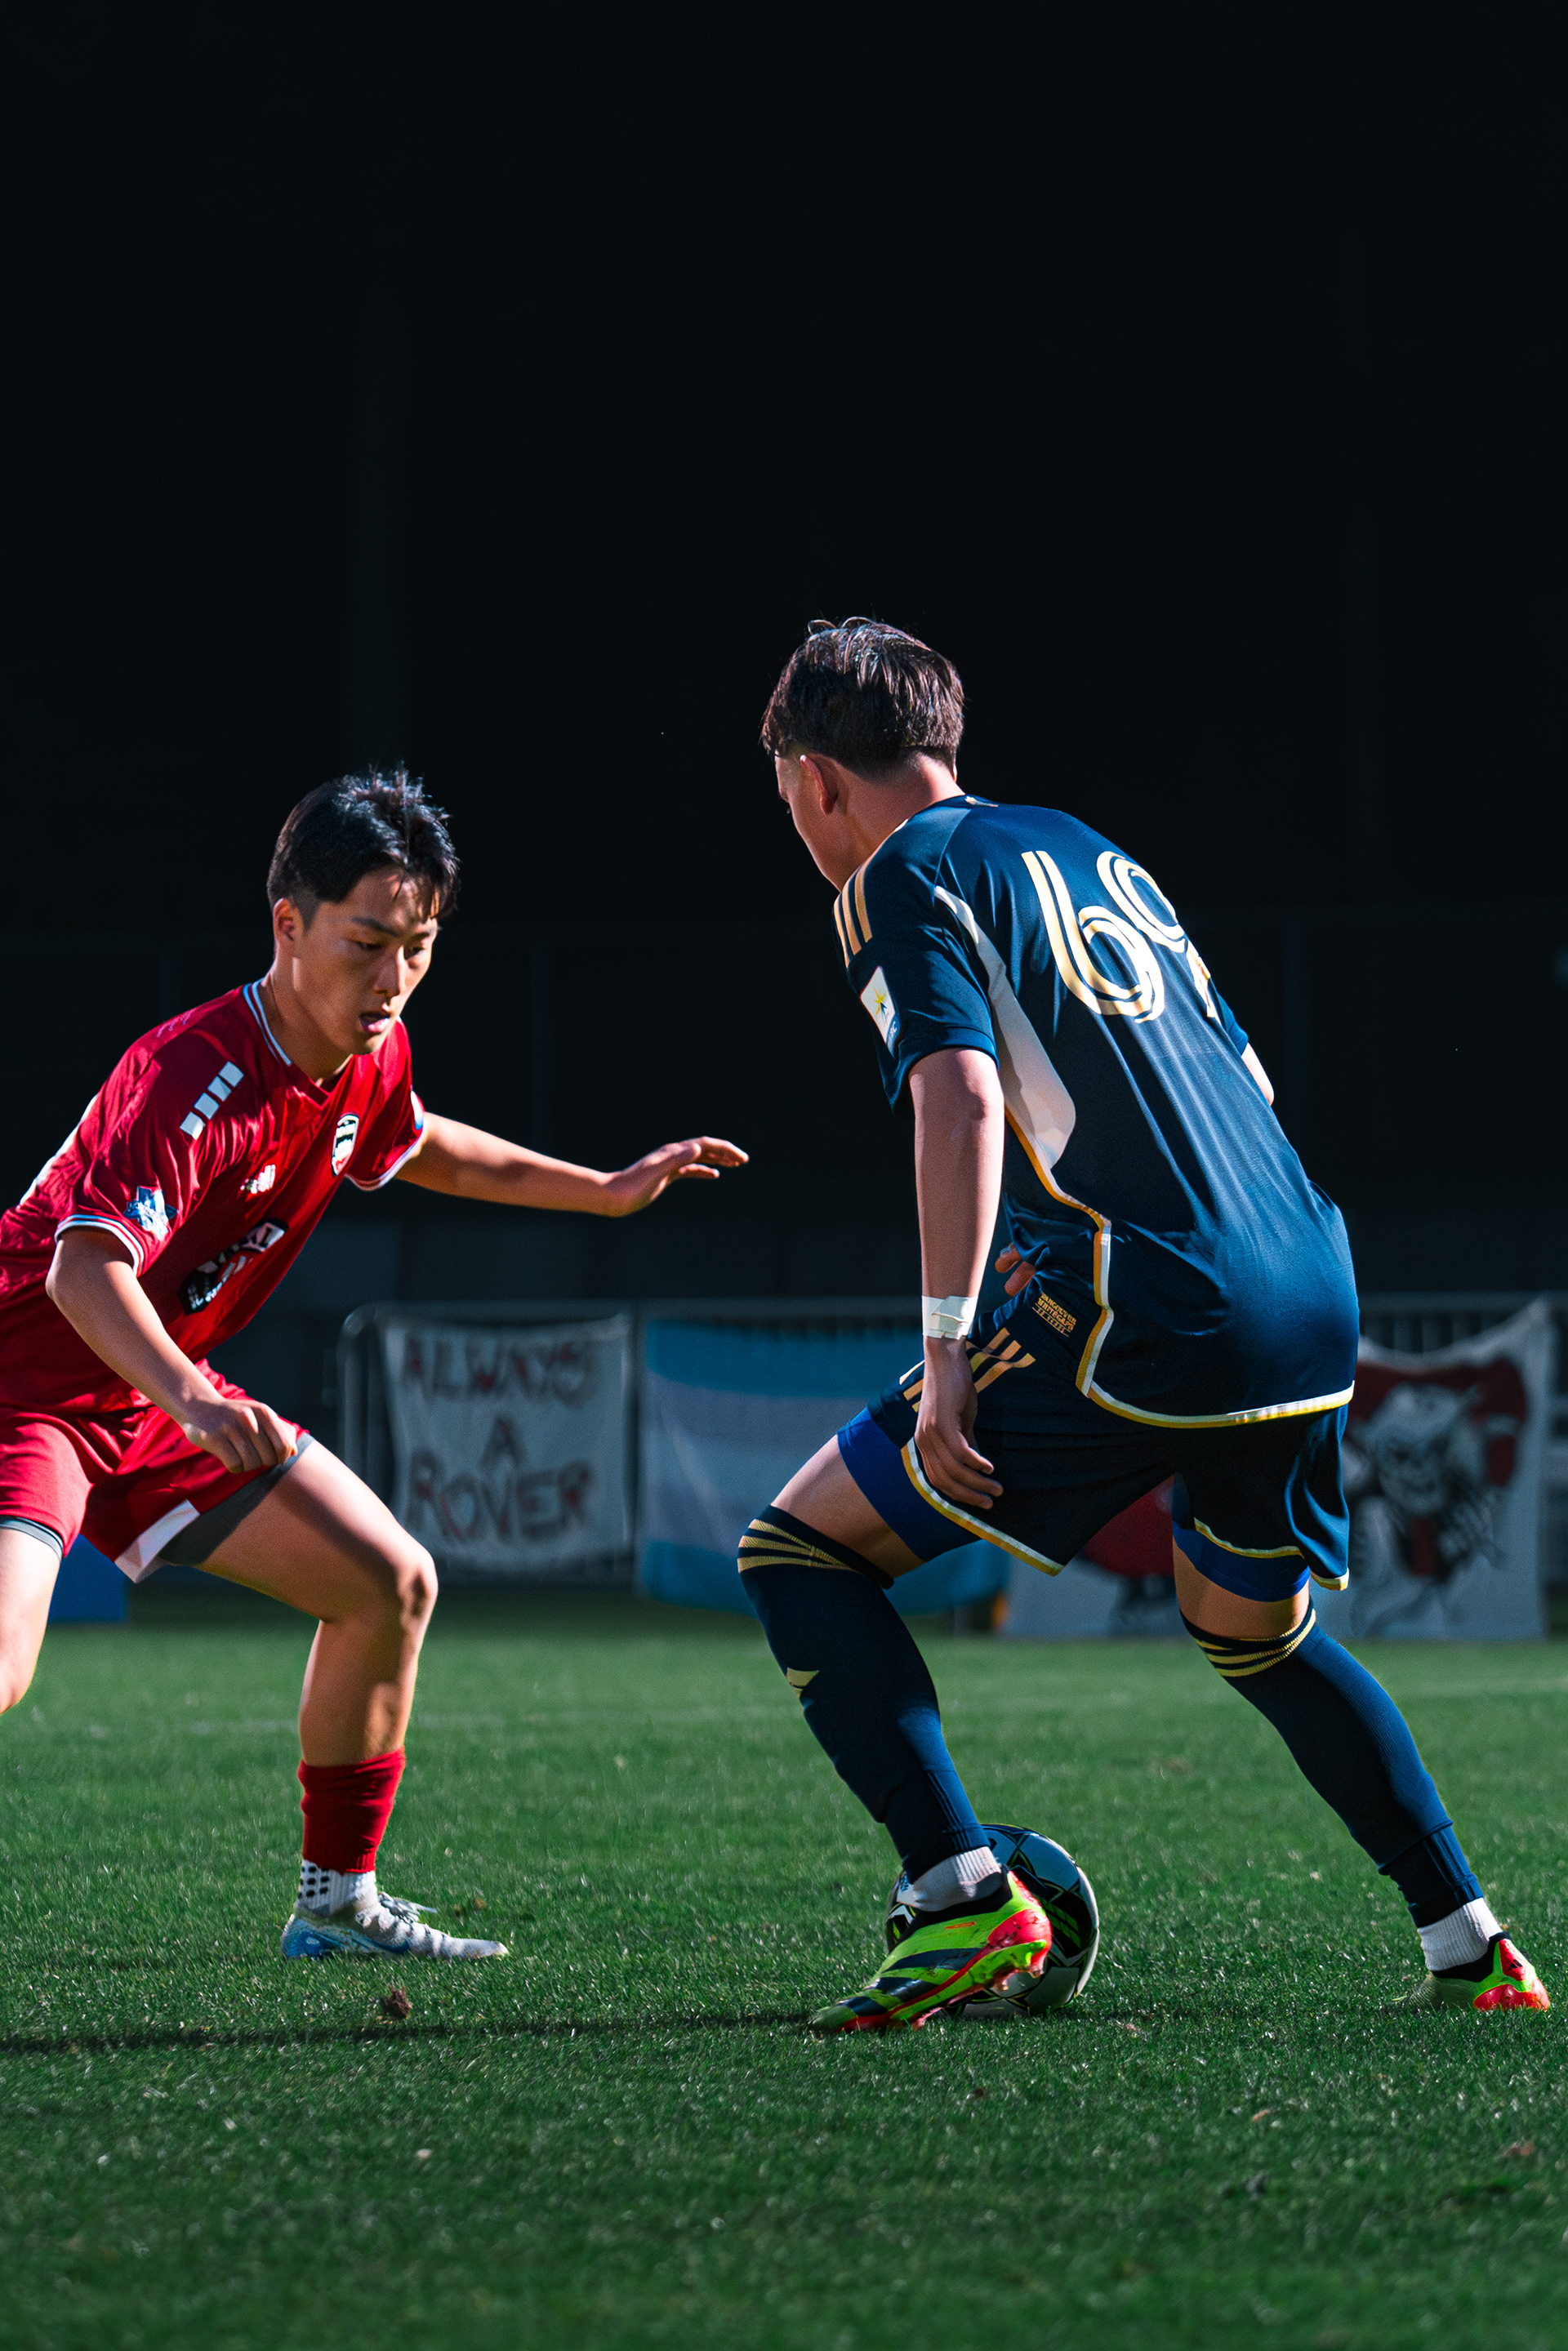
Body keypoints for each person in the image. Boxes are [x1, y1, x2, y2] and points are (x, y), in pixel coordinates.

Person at [741, 617, 1547, 2029]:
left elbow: (959, 1097)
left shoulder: (896, 875)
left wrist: (947, 1356)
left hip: (1154, 1299)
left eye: (787, 799)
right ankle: (1472, 1946)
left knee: (801, 1550)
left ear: (814, 780)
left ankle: (960, 1898)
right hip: (1309, 1276)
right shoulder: (1086, 847)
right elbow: (1242, 1079)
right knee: (1256, 1632)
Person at [0, 770, 745, 1961]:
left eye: (420, 946)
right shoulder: (197, 1076)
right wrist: (192, 1400)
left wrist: (603, 1193)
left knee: (387, 1582)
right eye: (368, 943)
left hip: (148, 1393)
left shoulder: (365, 1054)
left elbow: (418, 1143)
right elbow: (80, 1273)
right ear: (288, 926)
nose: (394, 976)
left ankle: (337, 1905)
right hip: (30, 1389)